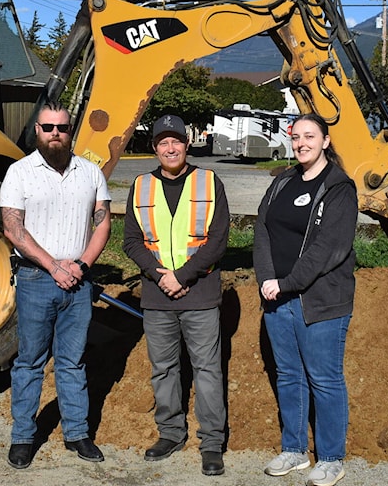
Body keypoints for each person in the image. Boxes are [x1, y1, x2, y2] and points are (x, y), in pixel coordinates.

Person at [0, 102, 112, 469]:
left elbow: (103, 224)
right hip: (35, 279)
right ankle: (22, 437)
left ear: (71, 131)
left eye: (61, 128)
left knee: (72, 361)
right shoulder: (19, 173)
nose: (55, 134)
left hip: (78, 282)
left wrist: (80, 265)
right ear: (37, 130)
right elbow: (13, 229)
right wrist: (53, 266)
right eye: (48, 128)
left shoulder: (91, 173)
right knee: (30, 361)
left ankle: (77, 433)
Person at [253, 112, 358, 486]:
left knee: (325, 379)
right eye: (296, 137)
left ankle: (331, 457)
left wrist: (288, 283)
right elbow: (262, 228)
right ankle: (294, 450)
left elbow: (330, 247)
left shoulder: (339, 188)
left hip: (321, 302)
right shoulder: (283, 182)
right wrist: (267, 278)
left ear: (326, 141)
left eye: (309, 136)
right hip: (276, 299)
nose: (301, 143)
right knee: (289, 376)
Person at [123, 114, 230, 477]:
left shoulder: (209, 182)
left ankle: (212, 443)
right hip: (157, 297)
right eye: (163, 142)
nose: (170, 148)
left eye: (177, 141)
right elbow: (131, 242)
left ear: (187, 144)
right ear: (154, 148)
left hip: (199, 295)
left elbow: (217, 241)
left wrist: (182, 276)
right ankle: (170, 434)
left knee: (207, 370)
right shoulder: (140, 186)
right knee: (164, 369)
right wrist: (159, 276)